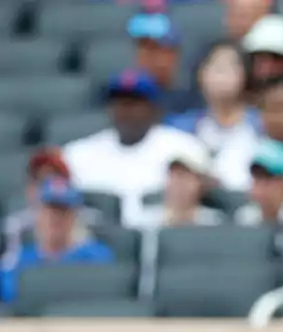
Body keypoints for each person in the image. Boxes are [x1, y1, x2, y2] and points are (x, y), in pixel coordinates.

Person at [62, 68, 208, 229]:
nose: (126, 111)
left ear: (154, 109)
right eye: (119, 103)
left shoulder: (184, 148)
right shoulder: (79, 154)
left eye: (135, 103)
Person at [1, 179, 115, 305]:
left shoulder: (97, 256)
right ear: (38, 214)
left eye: (62, 211)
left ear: (74, 216)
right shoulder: (19, 260)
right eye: (49, 210)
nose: (55, 218)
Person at [166, 40, 264, 159]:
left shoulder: (262, 124)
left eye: (231, 65)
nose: (223, 73)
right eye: (216, 66)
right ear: (200, 74)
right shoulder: (180, 127)